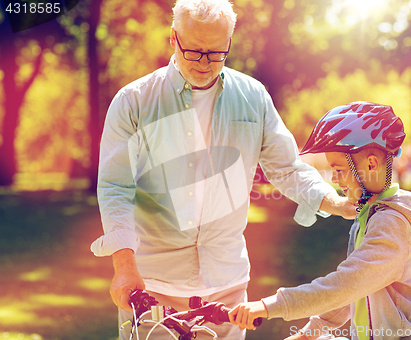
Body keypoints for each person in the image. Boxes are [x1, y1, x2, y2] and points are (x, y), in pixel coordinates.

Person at [90, 0, 356, 339]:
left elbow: (287, 168)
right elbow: (115, 187)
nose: (205, 63)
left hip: (227, 285)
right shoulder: (134, 101)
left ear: (229, 43)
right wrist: (124, 268)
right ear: (173, 38)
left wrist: (336, 203)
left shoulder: (253, 97)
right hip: (153, 288)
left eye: (216, 53)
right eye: (194, 51)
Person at [229, 101, 411, 340]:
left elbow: (347, 285)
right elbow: (358, 289)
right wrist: (310, 333)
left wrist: (271, 305)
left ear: (371, 165)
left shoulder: (392, 224)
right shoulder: (372, 214)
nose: (334, 178)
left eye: (339, 170)